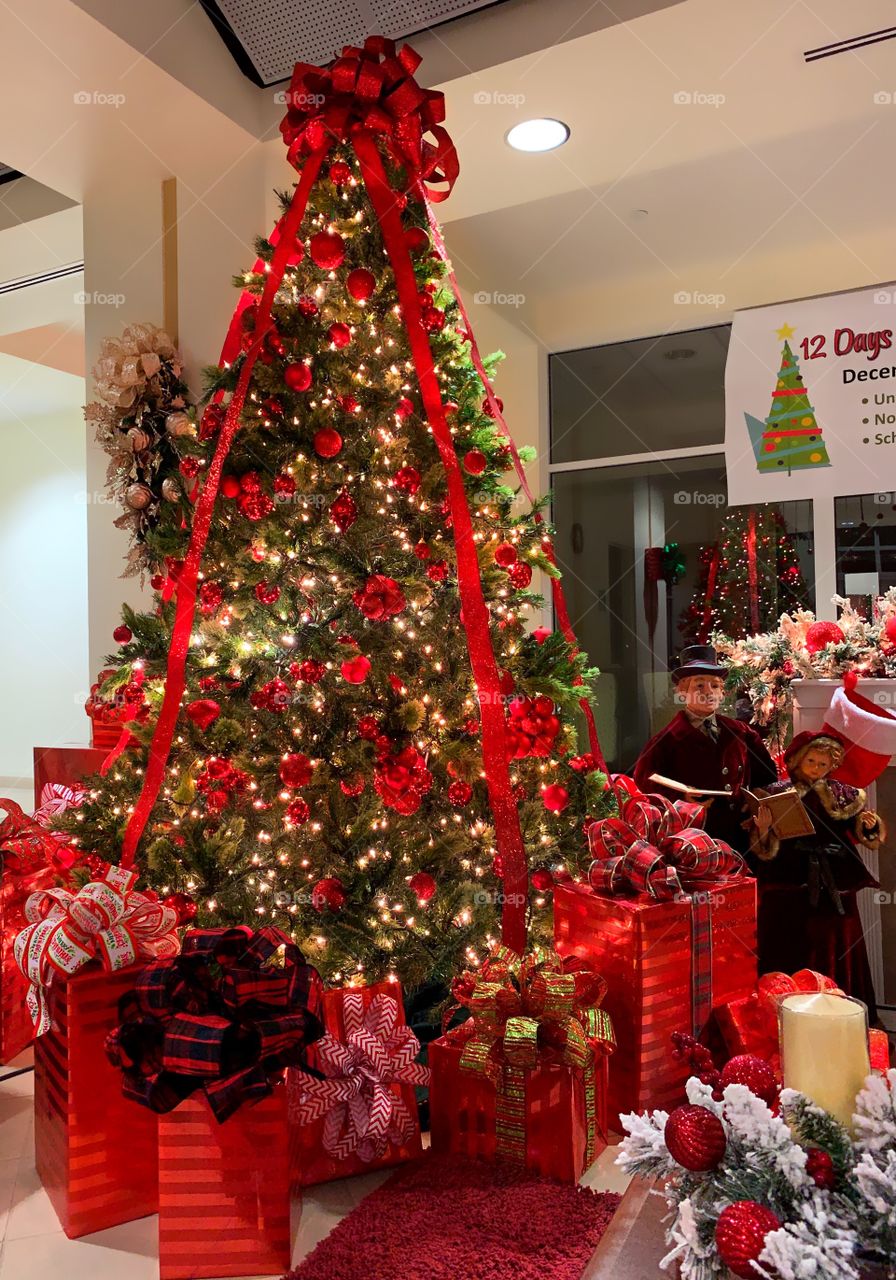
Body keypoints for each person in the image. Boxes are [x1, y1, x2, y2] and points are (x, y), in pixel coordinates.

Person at [749, 732, 885, 1021]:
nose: (816, 768)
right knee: (787, 940)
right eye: (811, 761)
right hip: (788, 880)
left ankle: (841, 1015)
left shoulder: (841, 794)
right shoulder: (777, 793)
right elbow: (763, 848)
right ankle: (783, 1017)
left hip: (832, 879)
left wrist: (868, 824)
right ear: (798, 761)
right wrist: (763, 829)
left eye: (823, 764)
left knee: (836, 938)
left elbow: (861, 829)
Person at [633, 645, 778, 853]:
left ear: (722, 693)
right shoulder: (667, 740)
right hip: (696, 835)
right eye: (699, 686)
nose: (708, 692)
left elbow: (765, 776)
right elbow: (645, 777)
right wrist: (681, 799)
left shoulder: (741, 732)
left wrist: (754, 802)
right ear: (682, 693)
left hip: (739, 833)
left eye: (715, 686)